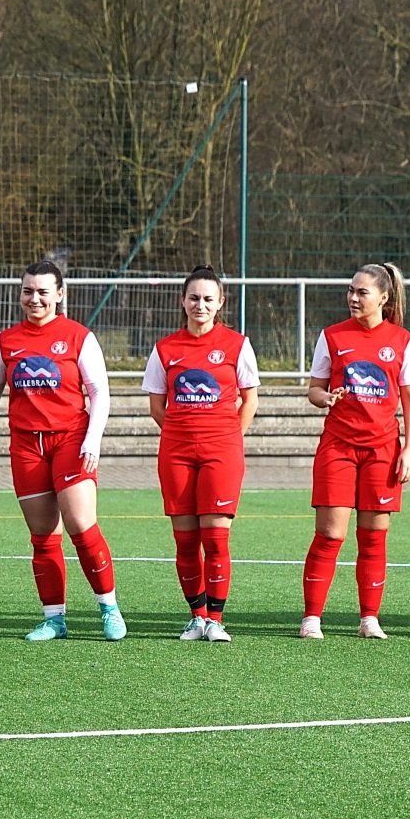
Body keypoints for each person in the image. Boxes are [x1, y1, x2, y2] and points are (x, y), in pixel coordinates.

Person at [0, 260, 124, 641]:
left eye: (43, 291)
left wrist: (92, 439)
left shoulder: (79, 337)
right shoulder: (5, 341)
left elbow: (99, 392)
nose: (34, 299)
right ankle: (54, 619)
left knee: (80, 525)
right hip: (26, 446)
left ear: (60, 294)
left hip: (71, 439)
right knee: (42, 536)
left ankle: (109, 609)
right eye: (28, 291)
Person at [299, 263, 410, 639]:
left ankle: (369, 618)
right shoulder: (332, 336)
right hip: (337, 447)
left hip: (383, 450)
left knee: (373, 537)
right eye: (351, 291)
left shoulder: (402, 340)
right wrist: (325, 398)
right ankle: (312, 618)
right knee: (329, 535)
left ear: (383, 298)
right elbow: (314, 389)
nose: (353, 297)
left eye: (362, 292)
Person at [143, 265, 259, 641]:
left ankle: (216, 620)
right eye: (194, 298)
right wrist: (183, 433)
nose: (200, 305)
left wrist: (227, 437)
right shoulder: (165, 348)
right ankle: (197, 617)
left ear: (220, 302)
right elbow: (157, 406)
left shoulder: (237, 345)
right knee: (186, 541)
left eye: (208, 299)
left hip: (222, 452)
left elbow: (250, 400)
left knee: (216, 539)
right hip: (176, 453)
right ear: (183, 301)